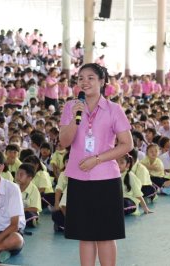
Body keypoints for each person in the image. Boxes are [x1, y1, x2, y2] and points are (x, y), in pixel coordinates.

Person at [59, 63, 133, 266]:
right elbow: (64, 142)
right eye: (81, 78)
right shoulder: (70, 107)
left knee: (105, 235)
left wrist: (98, 159)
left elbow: (127, 144)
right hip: (78, 177)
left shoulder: (114, 109)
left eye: (90, 77)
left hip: (106, 178)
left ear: (102, 82)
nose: (85, 82)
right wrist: (76, 117)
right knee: (85, 234)